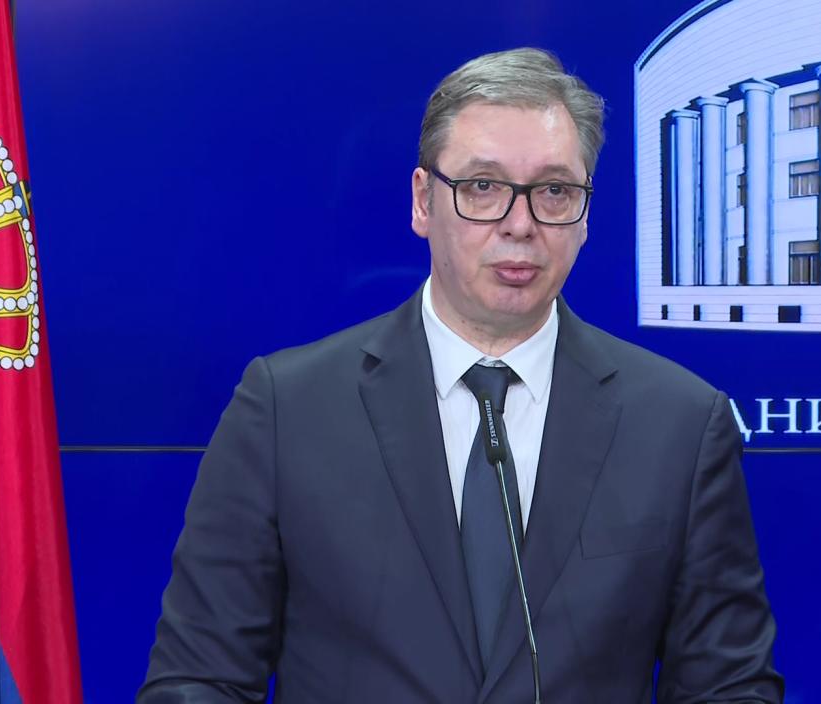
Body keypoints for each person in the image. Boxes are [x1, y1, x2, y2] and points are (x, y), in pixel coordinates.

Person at [139, 48, 782, 703]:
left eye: (554, 191)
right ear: (424, 201)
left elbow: (729, 688)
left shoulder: (677, 424)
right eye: (482, 187)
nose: (520, 224)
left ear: (586, 214)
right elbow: (200, 678)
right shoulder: (287, 409)